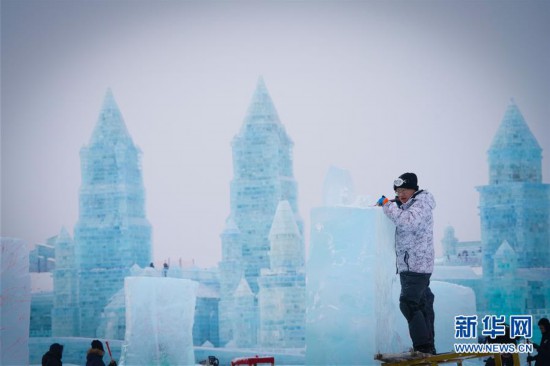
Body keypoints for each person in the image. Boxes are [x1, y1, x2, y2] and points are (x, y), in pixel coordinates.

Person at [378, 172, 436, 354]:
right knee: (423, 304)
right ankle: (428, 347)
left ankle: (422, 347)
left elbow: (408, 222)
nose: (401, 194)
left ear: (414, 190)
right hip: (412, 264)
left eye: (405, 190)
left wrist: (388, 206)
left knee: (408, 304)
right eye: (398, 191)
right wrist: (391, 204)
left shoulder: (421, 203)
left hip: (415, 264)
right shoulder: (409, 204)